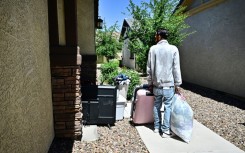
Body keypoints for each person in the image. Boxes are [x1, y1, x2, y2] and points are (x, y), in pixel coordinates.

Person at [146, 28, 182, 138]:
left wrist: (150, 83)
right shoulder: (173, 49)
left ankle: (157, 128)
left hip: (157, 85)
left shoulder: (153, 49)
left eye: (155, 35)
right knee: (168, 107)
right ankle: (165, 131)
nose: (154, 37)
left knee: (156, 105)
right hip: (169, 85)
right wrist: (178, 83)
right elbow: (176, 68)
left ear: (160, 36)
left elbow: (149, 68)